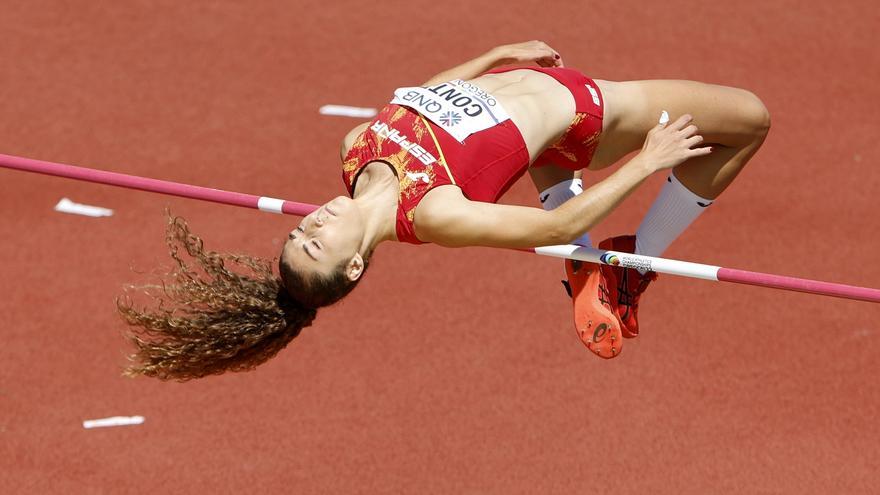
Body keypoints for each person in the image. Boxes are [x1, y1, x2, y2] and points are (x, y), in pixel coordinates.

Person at [119, 41, 770, 379]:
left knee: (548, 170)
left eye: (298, 230)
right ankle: (630, 265)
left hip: (541, 137)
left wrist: (493, 58)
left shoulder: (354, 150)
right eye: (316, 242)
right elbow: (553, 228)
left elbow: (418, 97)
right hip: (586, 111)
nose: (312, 222)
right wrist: (648, 159)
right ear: (352, 267)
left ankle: (597, 269)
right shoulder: (430, 215)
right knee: (749, 119)